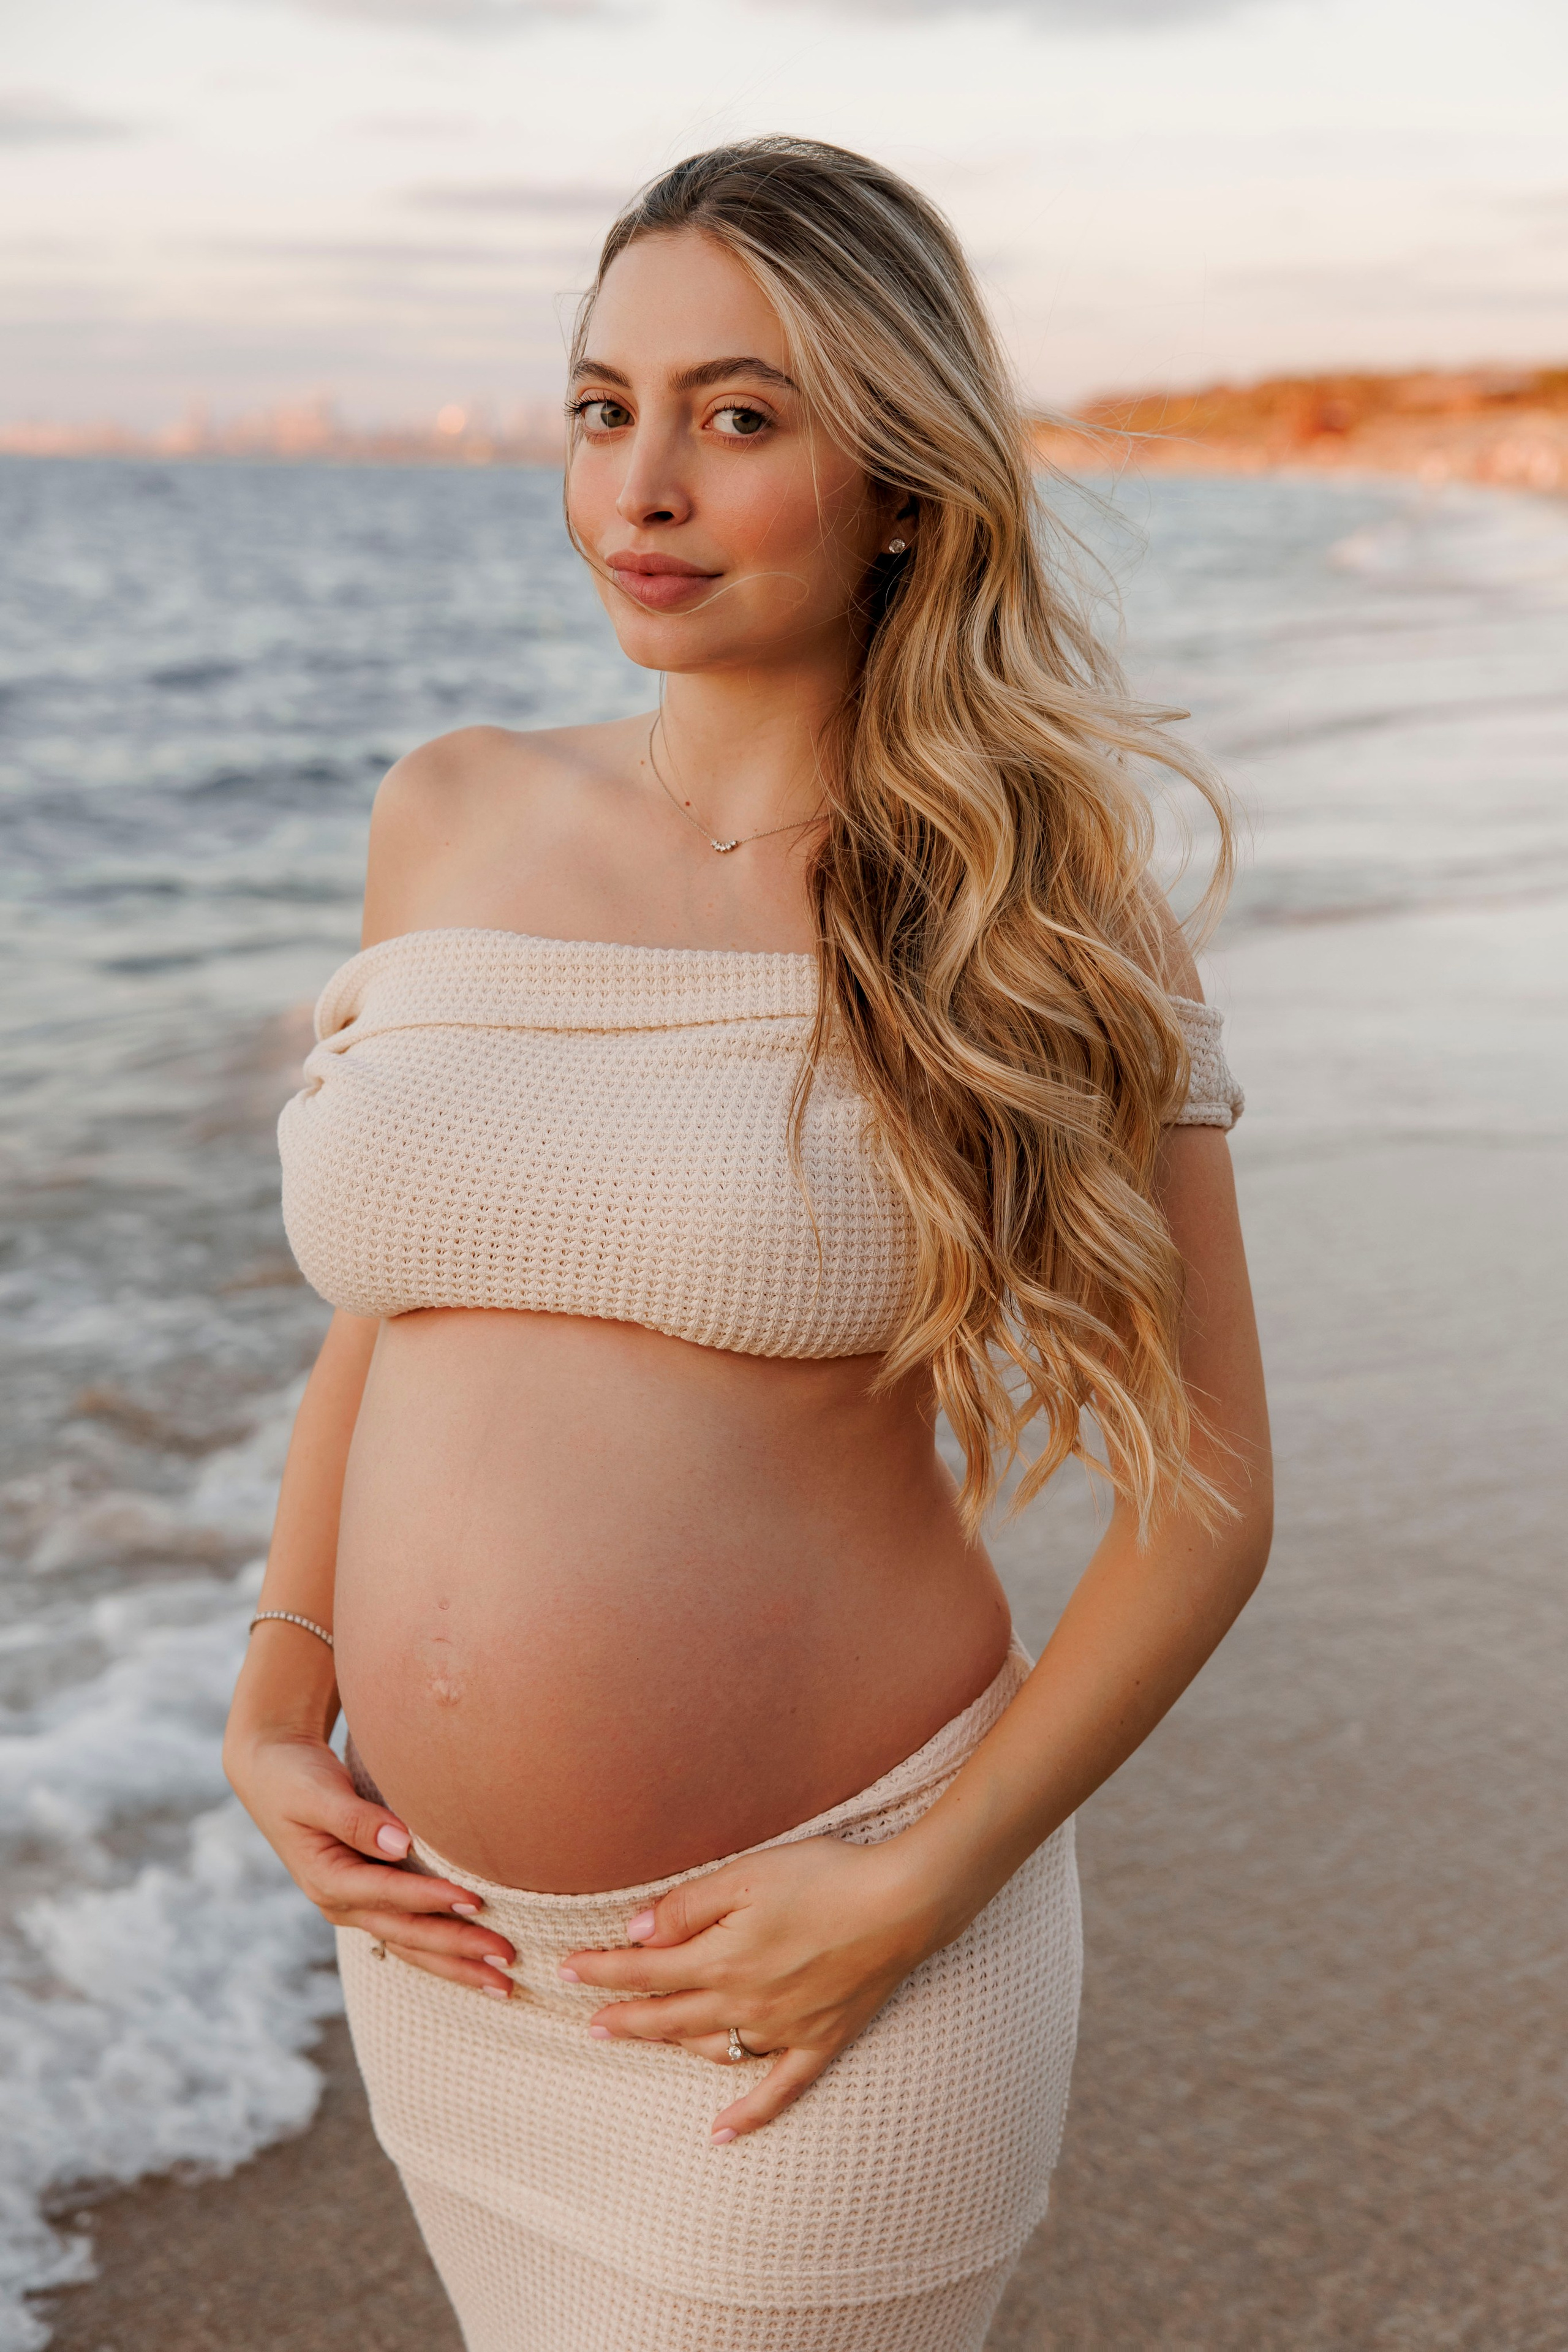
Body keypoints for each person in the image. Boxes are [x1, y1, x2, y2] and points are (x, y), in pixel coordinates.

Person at [224, 135, 1272, 2352]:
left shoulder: (1034, 913)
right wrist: (276, 1699)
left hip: (818, 1985)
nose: (646, 487)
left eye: (740, 413)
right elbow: (405, 1305)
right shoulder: (451, 806)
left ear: (901, 475)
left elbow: (1208, 1504)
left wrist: (912, 1887)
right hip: (455, 1960)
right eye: (606, 407)